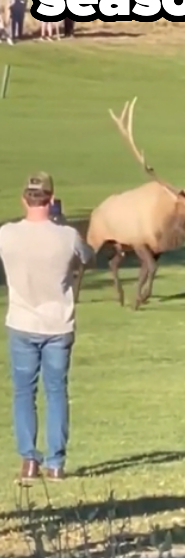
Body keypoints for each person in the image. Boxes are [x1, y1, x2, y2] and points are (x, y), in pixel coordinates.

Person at [0, 173, 94, 483]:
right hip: (57, 325)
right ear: (51, 200)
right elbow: (88, 257)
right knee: (56, 392)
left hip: (22, 322)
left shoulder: (7, 235)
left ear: (24, 199)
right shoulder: (67, 236)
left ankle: (29, 460)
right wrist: (63, 224)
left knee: (24, 392)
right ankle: (56, 463)